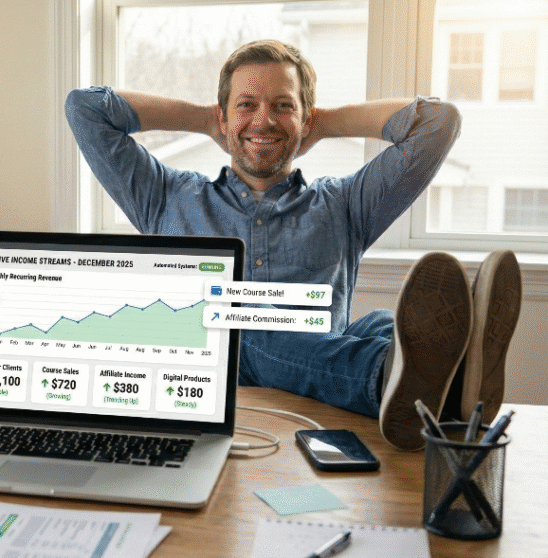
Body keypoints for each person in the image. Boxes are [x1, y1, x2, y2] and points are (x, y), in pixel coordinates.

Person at [65, 39, 521, 451]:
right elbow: (85, 108)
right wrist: (206, 121)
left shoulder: (345, 204)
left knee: (384, 324)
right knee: (250, 322)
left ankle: (459, 379)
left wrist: (323, 124)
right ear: (222, 114)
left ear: (306, 118)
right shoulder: (165, 197)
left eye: (283, 106)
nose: (263, 120)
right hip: (223, 380)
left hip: (319, 375)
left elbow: (440, 122)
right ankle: (386, 378)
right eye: (246, 104)